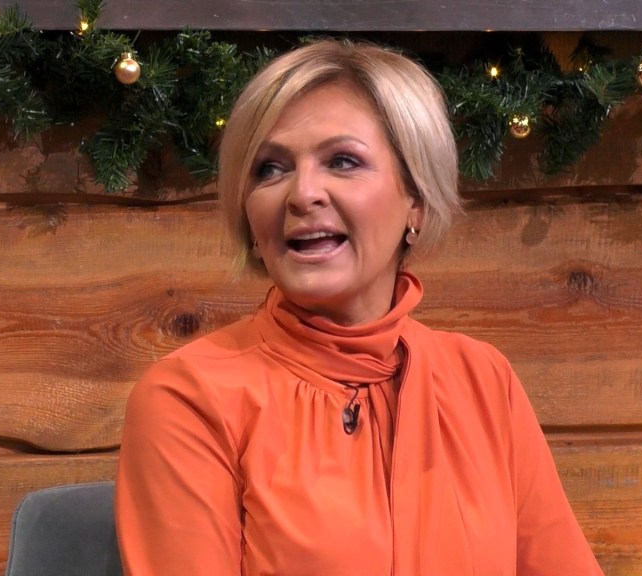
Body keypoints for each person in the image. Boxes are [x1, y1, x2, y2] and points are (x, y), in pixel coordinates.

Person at [115, 38, 603, 575]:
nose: (301, 193)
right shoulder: (188, 398)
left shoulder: (484, 380)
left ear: (416, 200)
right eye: (270, 169)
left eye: (342, 161)